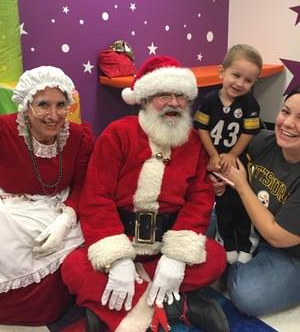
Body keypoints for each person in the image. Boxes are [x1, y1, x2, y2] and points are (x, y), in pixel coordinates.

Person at [61, 55, 227, 332]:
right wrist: (118, 259)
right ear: (146, 99)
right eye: (163, 95)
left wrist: (175, 258)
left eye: (181, 96)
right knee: (73, 268)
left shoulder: (195, 141)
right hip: (121, 235)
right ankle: (172, 307)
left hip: (167, 241)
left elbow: (200, 197)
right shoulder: (118, 134)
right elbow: (96, 197)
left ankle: (121, 303)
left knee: (216, 259)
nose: (174, 103)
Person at [0, 66, 94, 325]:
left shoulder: (80, 137)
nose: (53, 115)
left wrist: (68, 218)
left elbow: (85, 184)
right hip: (11, 204)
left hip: (60, 208)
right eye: (43, 104)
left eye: (61, 105)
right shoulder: (4, 130)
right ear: (27, 105)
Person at [213, 86, 300, 316]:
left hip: (288, 250)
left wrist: (240, 185)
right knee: (189, 231)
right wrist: (217, 181)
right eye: (285, 111)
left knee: (247, 293)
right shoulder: (264, 141)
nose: (288, 123)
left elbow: (277, 236)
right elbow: (222, 152)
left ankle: (231, 268)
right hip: (248, 227)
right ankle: (231, 263)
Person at [194, 44, 263, 264]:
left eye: (248, 80)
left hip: (236, 161)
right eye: (236, 75)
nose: (240, 83)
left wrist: (232, 154)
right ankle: (227, 243)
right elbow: (202, 128)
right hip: (214, 160)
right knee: (221, 203)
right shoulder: (209, 100)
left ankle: (245, 243)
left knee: (240, 203)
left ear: (254, 83)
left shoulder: (250, 103)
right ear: (221, 71)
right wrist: (214, 155)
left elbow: (249, 131)